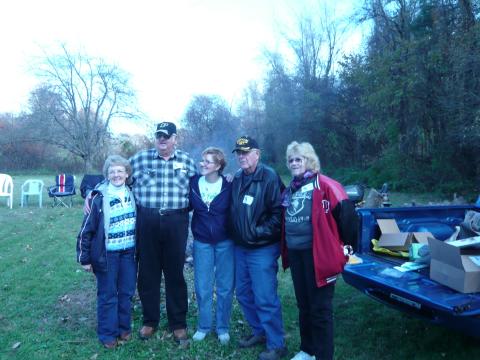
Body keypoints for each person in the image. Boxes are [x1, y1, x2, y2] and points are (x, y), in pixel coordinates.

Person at [280, 141, 357, 360]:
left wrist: (344, 247)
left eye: (298, 159)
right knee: (303, 304)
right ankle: (308, 350)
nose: (294, 163)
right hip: (297, 254)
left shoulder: (325, 184)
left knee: (320, 308)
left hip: (319, 255)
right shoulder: (291, 189)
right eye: (291, 160)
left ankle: (323, 356)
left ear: (309, 160)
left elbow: (347, 217)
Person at [131, 122, 197, 344]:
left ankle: (178, 323)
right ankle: (150, 321)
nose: (162, 140)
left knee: (175, 273)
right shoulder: (140, 159)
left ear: (174, 139)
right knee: (148, 272)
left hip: (176, 221)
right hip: (147, 220)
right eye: (159, 136)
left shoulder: (187, 161)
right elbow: (116, 175)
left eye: (166, 137)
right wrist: (93, 193)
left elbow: (204, 185)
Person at [229, 136, 287, 360]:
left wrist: (256, 232)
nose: (242, 157)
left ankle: (277, 344)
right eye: (239, 153)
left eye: (246, 152)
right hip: (240, 247)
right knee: (243, 293)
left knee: (264, 296)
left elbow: (279, 213)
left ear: (257, 153)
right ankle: (259, 332)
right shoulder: (237, 178)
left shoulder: (269, 177)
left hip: (261, 248)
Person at [76, 155, 137, 349]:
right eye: (112, 172)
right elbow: (87, 229)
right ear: (107, 175)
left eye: (120, 171)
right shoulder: (98, 197)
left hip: (129, 252)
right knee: (108, 294)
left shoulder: (133, 192)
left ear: (127, 173)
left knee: (126, 292)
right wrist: (84, 258)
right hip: (107, 254)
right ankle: (107, 333)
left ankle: (123, 328)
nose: (116, 175)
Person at [189, 147, 234, 345]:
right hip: (202, 242)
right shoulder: (192, 183)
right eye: (202, 160)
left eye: (208, 162)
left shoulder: (229, 185)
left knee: (224, 287)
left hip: (226, 242)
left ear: (218, 166)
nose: (203, 164)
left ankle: (223, 327)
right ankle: (204, 326)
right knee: (202, 286)